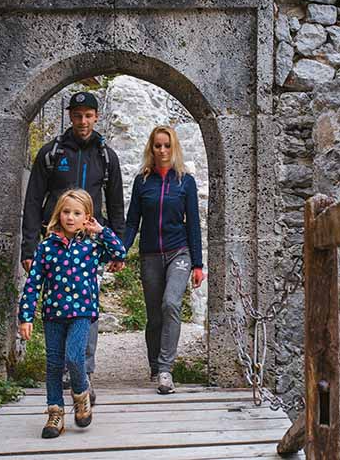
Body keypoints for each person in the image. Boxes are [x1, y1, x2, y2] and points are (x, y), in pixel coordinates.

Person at [21, 91, 125, 403]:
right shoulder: (51, 152)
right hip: (53, 241)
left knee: (86, 305)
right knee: (56, 304)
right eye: (77, 115)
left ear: (96, 117)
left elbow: (117, 204)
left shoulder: (106, 156)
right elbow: (32, 201)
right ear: (71, 116)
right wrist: (29, 247)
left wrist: (116, 243)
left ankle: (83, 372)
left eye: (88, 115)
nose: (83, 121)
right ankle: (67, 367)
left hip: (88, 243)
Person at [18, 189, 126, 438]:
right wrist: (26, 316)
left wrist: (101, 231)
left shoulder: (92, 246)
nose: (70, 217)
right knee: (54, 365)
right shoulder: (47, 247)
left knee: (75, 357)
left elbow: (119, 253)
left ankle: (81, 394)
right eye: (66, 212)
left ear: (86, 217)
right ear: (59, 213)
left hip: (81, 313)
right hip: (53, 314)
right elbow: (33, 283)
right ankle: (55, 413)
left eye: (76, 213)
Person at [123, 125, 205, 395]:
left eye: (167, 145)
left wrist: (197, 264)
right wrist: (121, 251)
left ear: (174, 148)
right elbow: (133, 221)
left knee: (171, 303)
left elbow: (193, 223)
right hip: (149, 255)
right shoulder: (142, 182)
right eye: (157, 145)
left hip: (178, 252)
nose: (162, 150)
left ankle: (166, 369)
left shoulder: (185, 181)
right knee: (154, 315)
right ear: (151, 148)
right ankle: (155, 365)